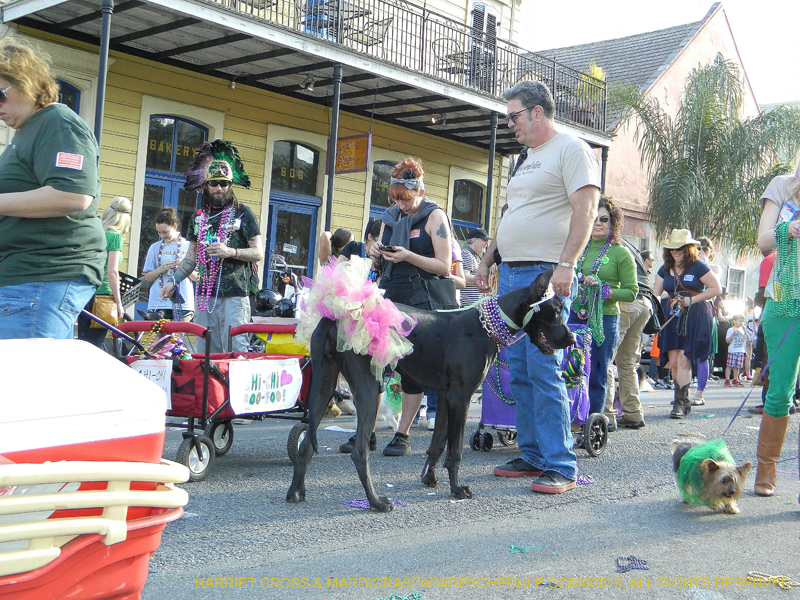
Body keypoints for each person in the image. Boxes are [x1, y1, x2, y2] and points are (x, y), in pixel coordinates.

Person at [474, 80, 600, 494]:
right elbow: (515, 212)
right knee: (521, 369)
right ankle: (531, 453)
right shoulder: (525, 158)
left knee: (543, 367)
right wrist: (489, 257)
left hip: (546, 273)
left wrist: (567, 264)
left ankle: (562, 464)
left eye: (513, 116)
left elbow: (586, 208)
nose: (509, 124)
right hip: (512, 274)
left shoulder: (571, 148)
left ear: (537, 112)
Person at [0, 38, 105, 340]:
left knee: (29, 383)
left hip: (44, 274)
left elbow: (73, 195)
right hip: (27, 275)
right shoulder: (28, 130)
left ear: (27, 82)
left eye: (0, 94)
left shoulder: (57, 122)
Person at [367, 157, 454, 457]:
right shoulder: (390, 216)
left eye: (406, 200)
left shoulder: (434, 216)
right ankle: (367, 432)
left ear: (419, 189)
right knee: (376, 363)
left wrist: (408, 256)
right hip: (392, 296)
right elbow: (376, 257)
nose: (401, 206)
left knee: (412, 369)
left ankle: (402, 434)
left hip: (424, 301)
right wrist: (375, 251)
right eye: (396, 199)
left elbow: (444, 266)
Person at [162, 153, 262, 353]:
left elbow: (258, 252)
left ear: (230, 185)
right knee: (206, 352)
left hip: (235, 294)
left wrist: (230, 251)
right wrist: (174, 280)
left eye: (224, 183)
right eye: (214, 183)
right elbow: (191, 257)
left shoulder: (244, 213)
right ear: (206, 185)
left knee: (235, 350)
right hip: (205, 296)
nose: (219, 188)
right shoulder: (198, 217)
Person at [753, 163, 800, 500]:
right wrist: (791, 228)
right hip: (784, 302)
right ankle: (766, 469)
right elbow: (763, 240)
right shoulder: (783, 186)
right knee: (781, 391)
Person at [569, 197, 637, 421]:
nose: (597, 223)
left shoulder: (621, 254)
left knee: (597, 373)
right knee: (571, 368)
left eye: (604, 219)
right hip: (574, 316)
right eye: (593, 218)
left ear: (613, 223)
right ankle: (571, 418)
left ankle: (592, 422)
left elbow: (631, 291)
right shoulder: (578, 247)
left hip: (604, 320)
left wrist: (605, 290)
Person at [653, 229, 721, 419]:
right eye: (672, 249)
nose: (675, 253)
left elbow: (716, 289)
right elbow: (656, 293)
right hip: (672, 314)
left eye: (680, 249)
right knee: (673, 362)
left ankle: (680, 403)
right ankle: (682, 399)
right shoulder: (665, 268)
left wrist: (692, 300)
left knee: (684, 359)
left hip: (695, 314)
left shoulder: (698, 266)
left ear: (689, 249)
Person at [606, 242, 655, 430]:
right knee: (628, 362)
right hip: (644, 303)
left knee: (607, 359)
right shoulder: (628, 246)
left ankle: (607, 415)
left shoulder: (606, 247)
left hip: (626, 302)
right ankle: (634, 413)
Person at [76, 197, 131, 347]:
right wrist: (119, 302)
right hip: (103, 296)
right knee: (95, 344)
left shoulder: (97, 232)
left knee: (82, 342)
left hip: (86, 292)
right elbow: (112, 272)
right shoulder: (115, 237)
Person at [141, 206, 196, 321]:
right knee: (160, 337)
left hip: (183, 301)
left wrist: (184, 267)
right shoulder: (155, 247)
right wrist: (160, 269)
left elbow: (198, 277)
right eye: (159, 232)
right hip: (159, 301)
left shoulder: (188, 246)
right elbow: (148, 277)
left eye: (165, 232)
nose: (162, 236)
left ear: (174, 227)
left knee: (179, 336)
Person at [460, 228, 491, 308]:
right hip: (468, 306)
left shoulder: (474, 256)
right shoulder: (466, 254)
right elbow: (465, 278)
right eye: (484, 240)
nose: (486, 244)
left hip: (474, 306)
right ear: (474, 241)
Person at [724, 314, 747, 386]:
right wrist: (733, 335)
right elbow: (727, 340)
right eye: (740, 321)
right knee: (729, 365)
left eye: (742, 321)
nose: (741, 323)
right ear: (734, 321)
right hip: (733, 350)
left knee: (737, 366)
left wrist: (745, 331)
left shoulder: (742, 330)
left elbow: (748, 338)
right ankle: (727, 379)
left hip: (741, 350)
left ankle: (735, 378)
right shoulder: (731, 330)